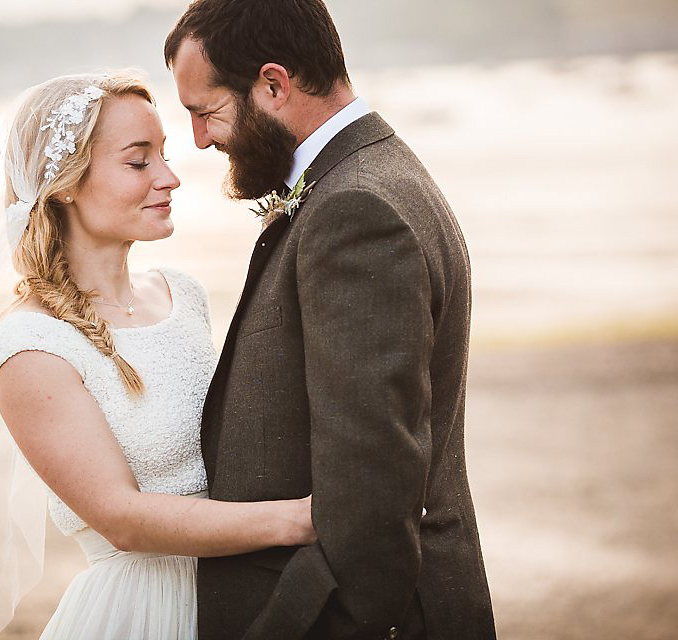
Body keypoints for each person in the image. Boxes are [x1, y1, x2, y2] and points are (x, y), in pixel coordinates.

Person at [164, 1, 497, 638]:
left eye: (205, 112)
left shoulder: (356, 209)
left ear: (273, 84)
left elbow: (372, 492)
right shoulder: (371, 176)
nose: (201, 140)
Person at [0, 72, 315, 639]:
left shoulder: (181, 294)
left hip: (244, 595)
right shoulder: (31, 346)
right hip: (144, 612)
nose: (170, 178)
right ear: (64, 182)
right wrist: (304, 519)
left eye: (164, 155)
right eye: (139, 162)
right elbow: (124, 520)